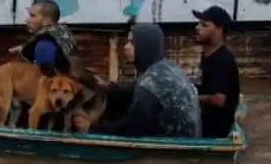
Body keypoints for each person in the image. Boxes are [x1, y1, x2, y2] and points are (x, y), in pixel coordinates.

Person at [73, 23, 201, 138]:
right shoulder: (166, 66)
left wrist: (92, 129)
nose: (126, 47)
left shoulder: (154, 80)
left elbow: (133, 127)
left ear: (146, 46)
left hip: (175, 147)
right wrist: (105, 88)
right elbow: (131, 91)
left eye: (132, 43)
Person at [192, 5, 241, 138]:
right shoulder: (208, 54)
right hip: (203, 119)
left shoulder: (223, 59)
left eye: (204, 25)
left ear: (219, 30)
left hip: (214, 129)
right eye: (198, 23)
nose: (197, 27)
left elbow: (219, 100)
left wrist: (190, 99)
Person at [9, 0, 76, 74]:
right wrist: (24, 49)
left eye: (32, 16)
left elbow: (44, 79)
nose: (27, 20)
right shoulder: (61, 35)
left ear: (46, 21)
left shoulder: (44, 44)